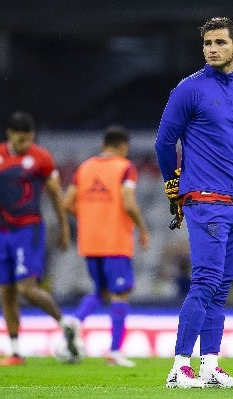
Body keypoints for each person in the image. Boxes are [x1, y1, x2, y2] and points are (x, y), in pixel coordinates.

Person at [155, 17, 233, 388]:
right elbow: (164, 142)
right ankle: (180, 367)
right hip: (205, 201)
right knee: (206, 281)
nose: (212, 48)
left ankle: (210, 366)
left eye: (219, 42)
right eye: (207, 43)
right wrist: (172, 185)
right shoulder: (189, 89)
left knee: (221, 288)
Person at [0, 110, 78, 366]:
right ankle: (15, 351)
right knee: (6, 292)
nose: (25, 144)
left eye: (29, 139)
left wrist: (65, 230)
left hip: (29, 230)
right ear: (9, 135)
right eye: (21, 139)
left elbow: (56, 195)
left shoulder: (41, 158)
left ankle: (65, 323)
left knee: (26, 288)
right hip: (3, 233)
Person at [63, 125, 150, 367]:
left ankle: (75, 321)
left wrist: (89, 215)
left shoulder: (85, 167)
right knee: (120, 293)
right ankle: (114, 350)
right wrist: (142, 229)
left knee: (101, 291)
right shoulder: (125, 168)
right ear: (123, 146)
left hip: (90, 242)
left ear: (104, 145)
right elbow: (129, 203)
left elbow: (66, 201)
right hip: (115, 241)